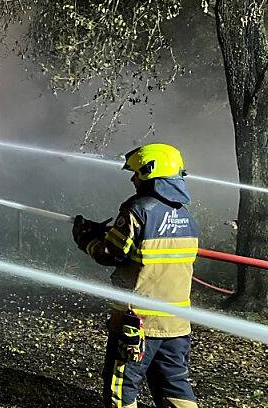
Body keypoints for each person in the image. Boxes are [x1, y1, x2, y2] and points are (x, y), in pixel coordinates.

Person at [72, 143, 199, 408]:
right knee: (174, 384)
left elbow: (110, 254)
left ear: (151, 174)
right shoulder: (186, 216)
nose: (133, 178)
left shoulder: (137, 211)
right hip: (177, 324)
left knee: (121, 386)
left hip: (138, 322)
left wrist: (87, 240)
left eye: (137, 173)